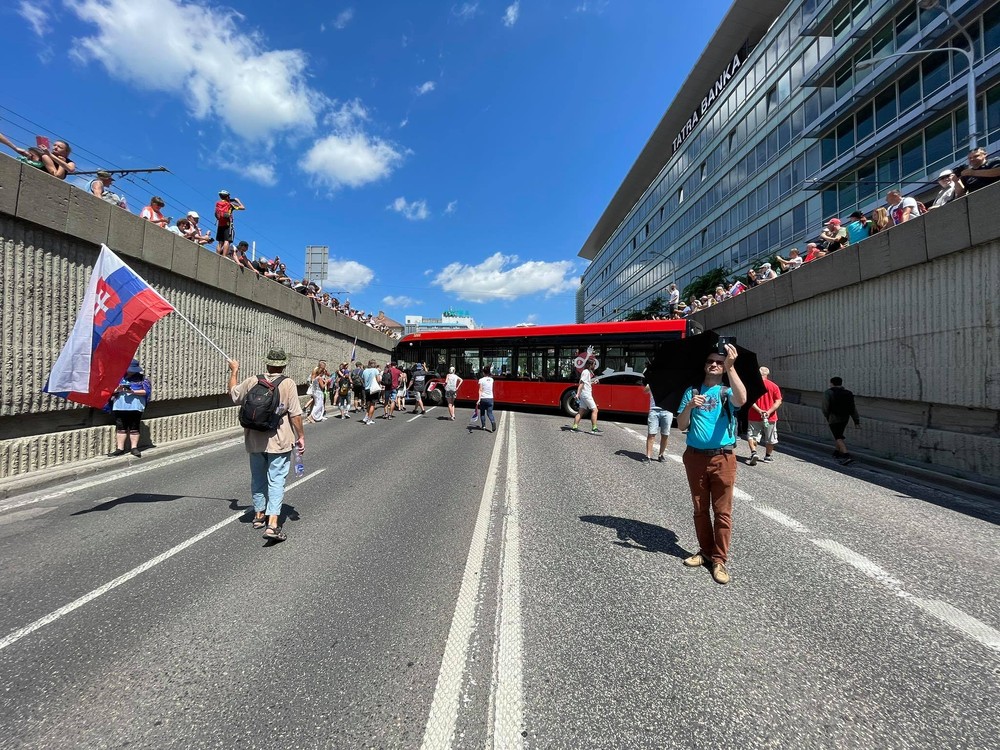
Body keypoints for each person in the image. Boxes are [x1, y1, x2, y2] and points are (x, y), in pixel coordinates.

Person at [676, 344, 747, 585]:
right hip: (695, 456)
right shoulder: (692, 391)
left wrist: (731, 368)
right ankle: (705, 552)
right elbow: (681, 425)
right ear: (705, 365)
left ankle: (719, 560)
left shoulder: (726, 391)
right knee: (699, 508)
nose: (714, 364)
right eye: (711, 361)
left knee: (722, 512)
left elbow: (742, 399)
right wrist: (688, 406)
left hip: (723, 457)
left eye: (719, 362)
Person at [228, 349, 304, 541]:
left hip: (254, 438)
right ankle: (272, 524)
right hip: (279, 439)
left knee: (258, 477)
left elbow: (234, 395)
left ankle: (259, 515)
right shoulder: (288, 383)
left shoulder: (253, 380)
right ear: (284, 365)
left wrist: (234, 371)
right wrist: (301, 436)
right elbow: (295, 414)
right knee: (276, 480)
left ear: (266, 363)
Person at [108, 359, 150, 458]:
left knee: (134, 427)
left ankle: (134, 448)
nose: (131, 371)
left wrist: (133, 392)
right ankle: (120, 449)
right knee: (121, 427)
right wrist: (117, 390)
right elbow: (109, 392)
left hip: (136, 406)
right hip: (119, 406)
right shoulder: (118, 377)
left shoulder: (142, 378)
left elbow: (146, 391)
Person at [746, 366, 782, 466]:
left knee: (752, 435)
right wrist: (768, 412)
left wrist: (759, 410)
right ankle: (767, 456)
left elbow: (749, 400)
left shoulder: (752, 385)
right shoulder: (774, 386)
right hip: (770, 417)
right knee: (770, 437)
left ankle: (754, 452)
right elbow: (778, 401)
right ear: (767, 374)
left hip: (754, 415)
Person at [822, 376, 861, 466]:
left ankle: (846, 455)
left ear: (831, 383)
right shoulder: (848, 393)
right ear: (841, 383)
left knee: (837, 436)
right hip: (845, 418)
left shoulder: (828, 392)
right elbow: (853, 408)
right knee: (839, 434)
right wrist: (856, 420)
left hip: (833, 417)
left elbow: (825, 407)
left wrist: (827, 416)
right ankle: (837, 452)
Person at [642, 370, 672, 462]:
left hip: (667, 411)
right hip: (654, 410)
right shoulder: (653, 381)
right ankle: (648, 456)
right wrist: (653, 381)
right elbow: (645, 390)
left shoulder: (671, 381)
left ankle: (661, 455)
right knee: (651, 434)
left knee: (665, 434)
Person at [569, 358, 600, 433]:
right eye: (594, 364)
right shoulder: (586, 372)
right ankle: (594, 428)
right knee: (595, 410)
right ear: (590, 365)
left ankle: (574, 427)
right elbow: (582, 383)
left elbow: (586, 383)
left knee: (581, 411)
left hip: (584, 394)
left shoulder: (587, 372)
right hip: (586, 394)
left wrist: (593, 383)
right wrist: (577, 394)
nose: (594, 366)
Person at [214, 189, 245, 258]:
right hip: (228, 224)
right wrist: (237, 200)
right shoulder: (230, 205)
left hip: (220, 224)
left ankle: (217, 255)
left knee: (220, 242)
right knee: (226, 240)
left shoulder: (218, 203)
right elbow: (243, 208)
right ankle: (224, 256)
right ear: (227, 197)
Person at [362, 359, 382, 425]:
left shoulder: (365, 371)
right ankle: (369, 419)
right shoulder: (375, 370)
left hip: (367, 389)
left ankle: (366, 417)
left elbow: (363, 380)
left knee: (369, 404)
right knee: (373, 405)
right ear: (374, 364)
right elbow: (378, 380)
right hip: (373, 389)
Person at [478, 363, 496, 433]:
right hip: (490, 398)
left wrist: (479, 399)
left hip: (483, 398)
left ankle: (483, 426)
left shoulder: (481, 380)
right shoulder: (491, 380)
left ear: (483, 372)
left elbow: (480, 390)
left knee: (482, 413)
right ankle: (493, 421)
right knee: (490, 413)